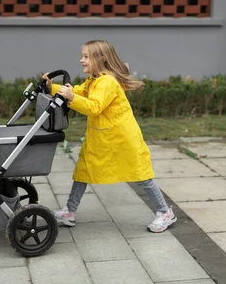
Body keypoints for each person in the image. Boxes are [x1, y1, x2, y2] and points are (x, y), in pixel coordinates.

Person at [43, 40, 176, 233]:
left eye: (86, 56)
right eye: (82, 56)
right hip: (103, 138)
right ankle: (70, 211)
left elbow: (94, 107)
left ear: (101, 59)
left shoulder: (107, 82)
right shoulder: (96, 79)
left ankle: (165, 212)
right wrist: (53, 88)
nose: (82, 60)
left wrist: (70, 97)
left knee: (140, 174)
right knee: (83, 171)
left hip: (122, 138)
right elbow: (79, 91)